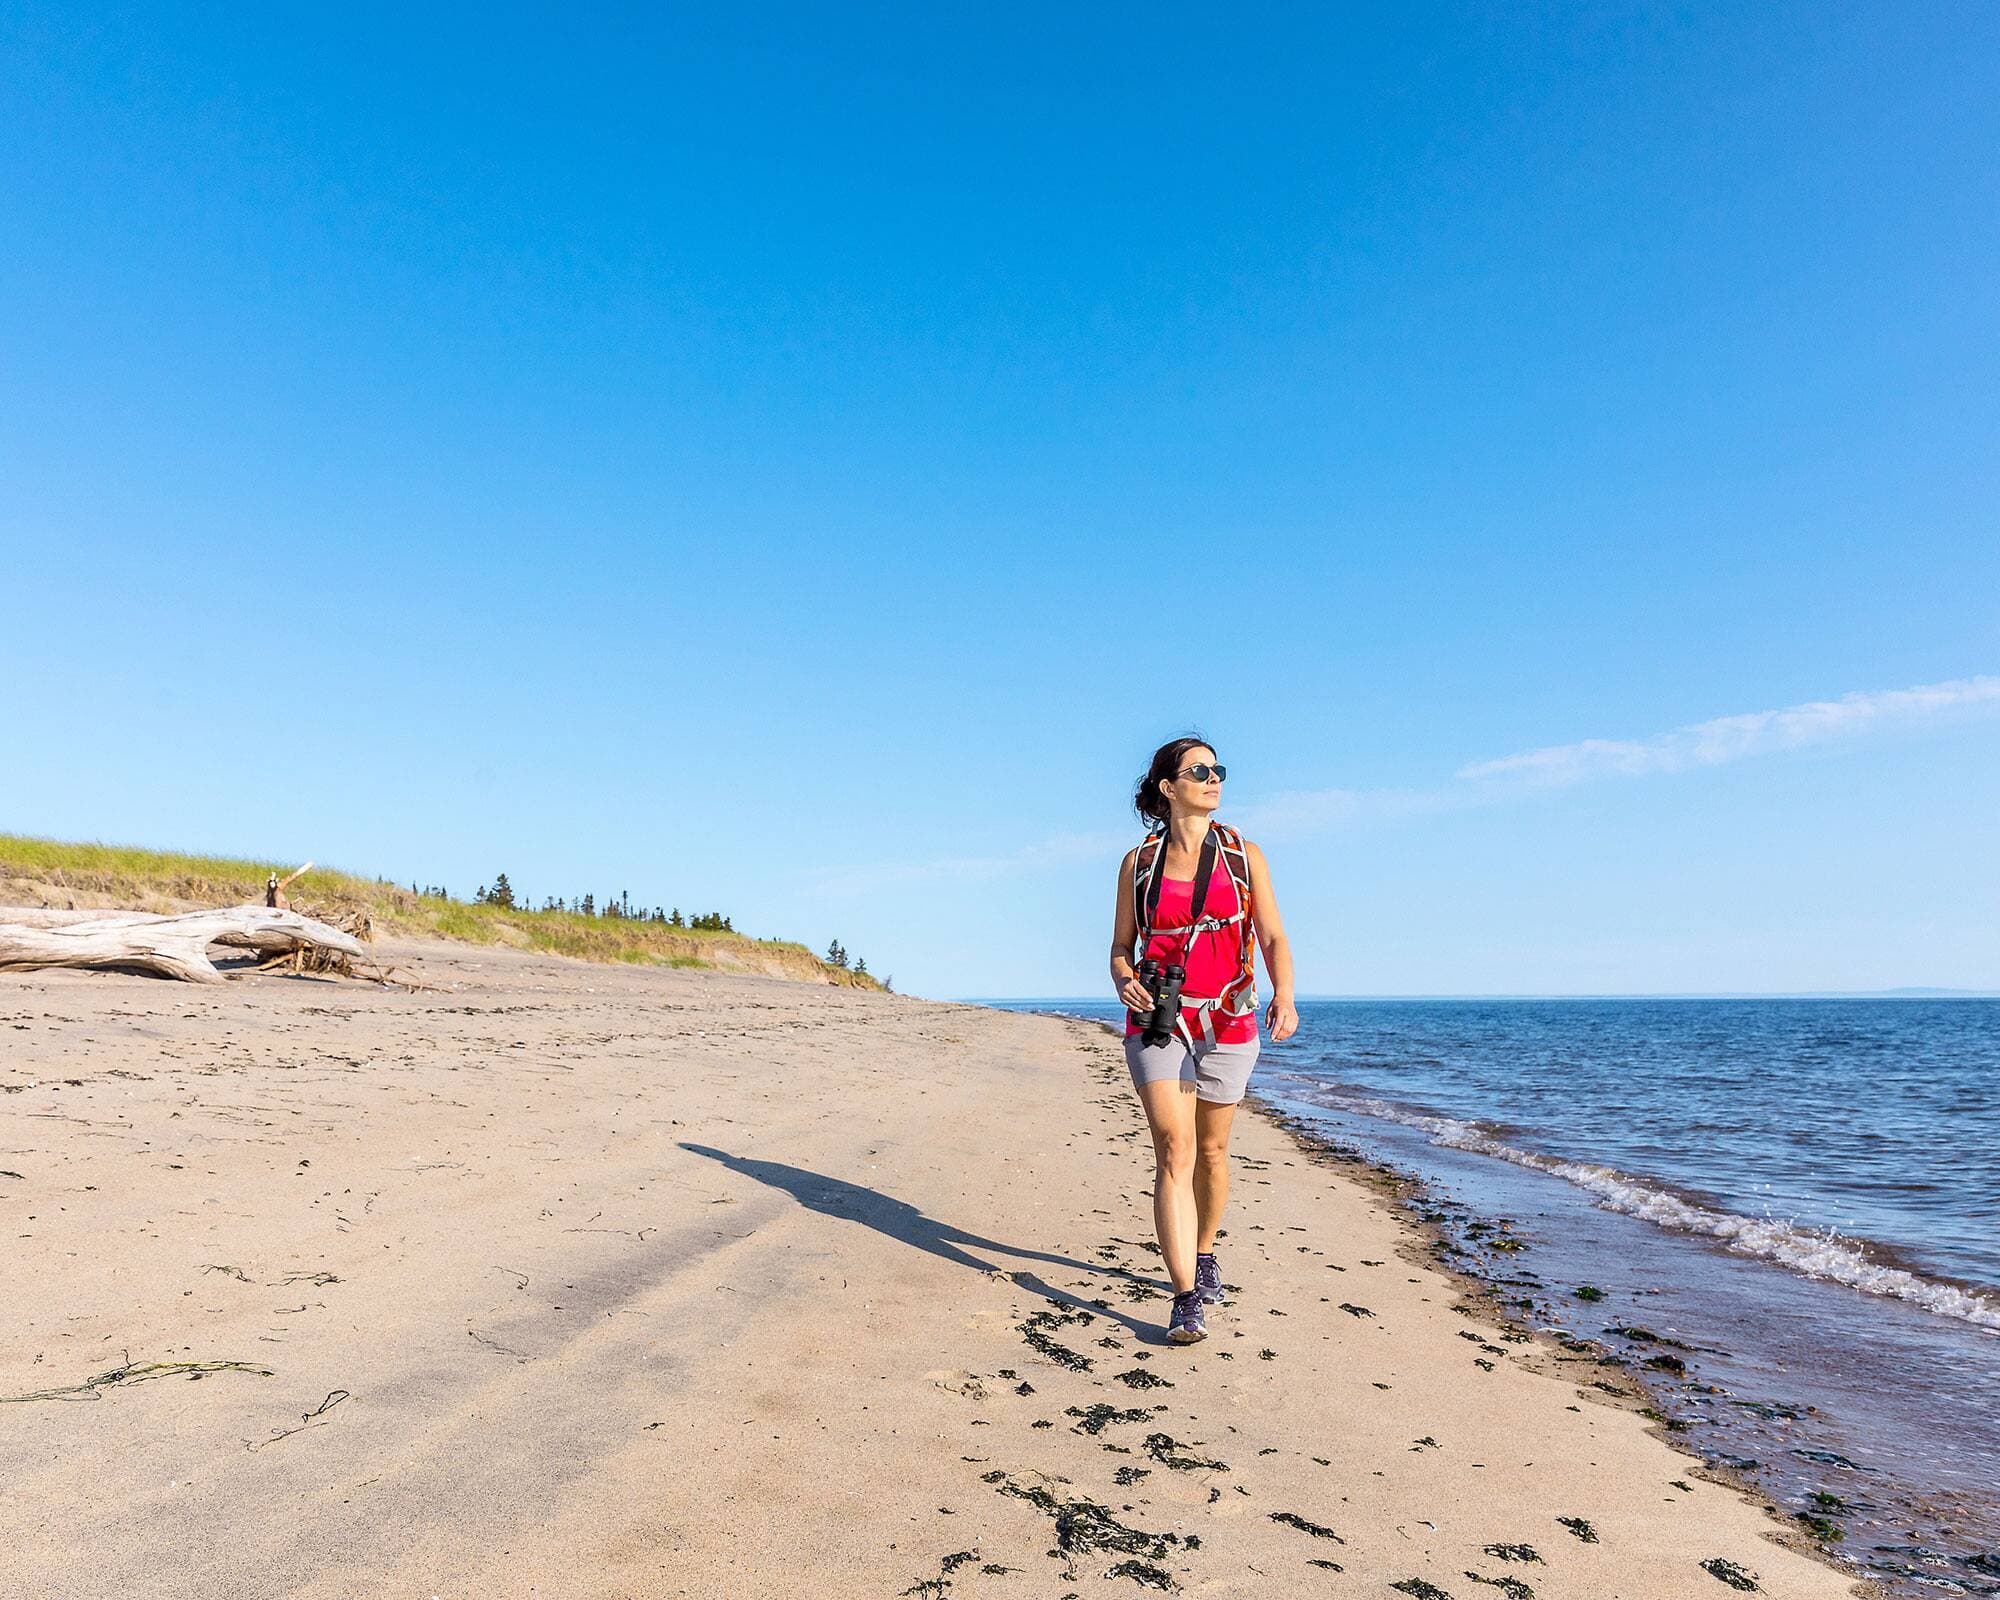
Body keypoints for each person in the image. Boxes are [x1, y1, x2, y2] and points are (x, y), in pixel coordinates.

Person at [1110, 736, 1297, 1343]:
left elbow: (1271, 935)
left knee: (1213, 1153)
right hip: (1158, 1018)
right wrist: (1123, 980)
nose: (1215, 778)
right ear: (1169, 788)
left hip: (1230, 1018)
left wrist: (1284, 995)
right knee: (1173, 1146)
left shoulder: (1245, 855)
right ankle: (1185, 1296)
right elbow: (1120, 948)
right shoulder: (1138, 864)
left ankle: (1206, 1248)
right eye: (1200, 771)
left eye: (1220, 769)